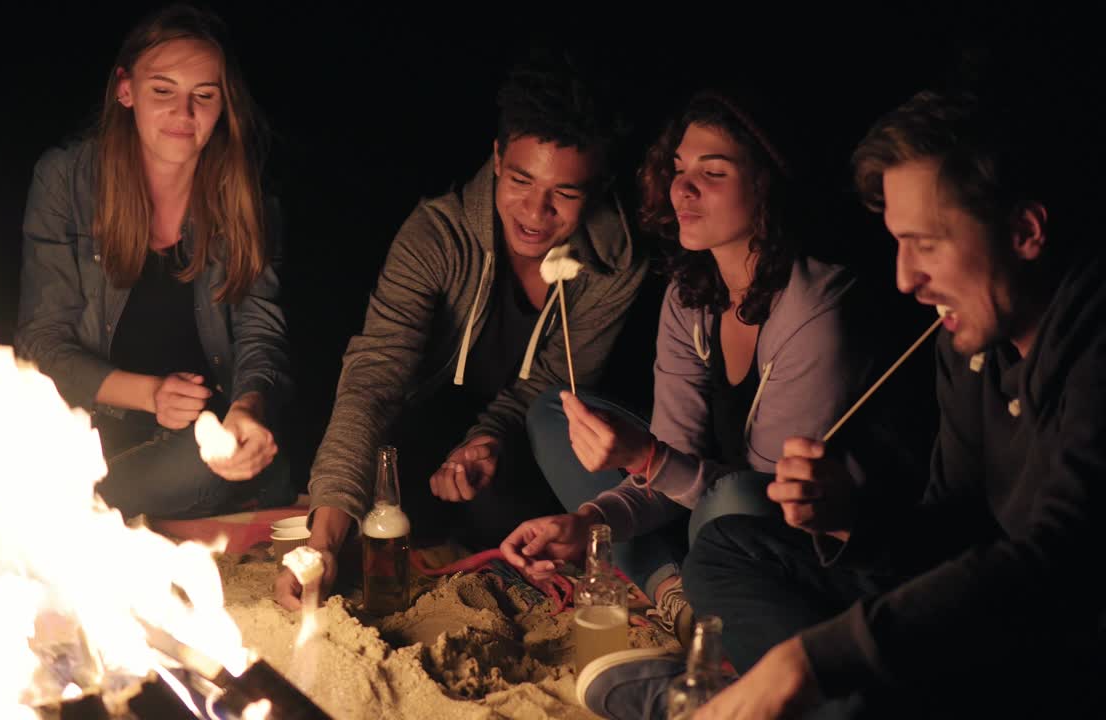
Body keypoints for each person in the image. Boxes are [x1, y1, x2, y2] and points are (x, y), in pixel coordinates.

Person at [578, 87, 1106, 719]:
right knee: (727, 550)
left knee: (738, 519)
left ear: (1024, 231)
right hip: (971, 622)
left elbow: (1058, 566)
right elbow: (949, 534)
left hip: (1050, 658)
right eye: (898, 246)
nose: (907, 280)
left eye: (927, 244)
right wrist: (845, 518)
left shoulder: (1092, 341)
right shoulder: (971, 345)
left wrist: (815, 659)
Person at [275, 52, 648, 610]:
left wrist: (488, 438)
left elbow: (550, 389)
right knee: (375, 506)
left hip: (522, 443)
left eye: (564, 194)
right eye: (521, 179)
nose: (536, 211)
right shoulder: (436, 236)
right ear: (497, 159)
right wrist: (322, 541)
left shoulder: (615, 259)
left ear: (596, 187)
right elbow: (373, 381)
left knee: (508, 511)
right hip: (426, 433)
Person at [500, 89, 870, 644]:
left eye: (713, 172)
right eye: (677, 169)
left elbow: (772, 499)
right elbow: (660, 478)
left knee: (729, 503)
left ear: (766, 184)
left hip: (789, 542)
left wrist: (644, 457)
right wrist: (586, 523)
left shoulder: (815, 308)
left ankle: (685, 583)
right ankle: (672, 591)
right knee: (552, 413)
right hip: (700, 502)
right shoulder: (689, 293)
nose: (682, 189)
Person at [16, 4, 294, 521]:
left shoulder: (244, 194)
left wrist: (247, 408)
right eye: (162, 90)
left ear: (223, 104)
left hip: (202, 440)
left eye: (204, 96)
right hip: (95, 436)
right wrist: (151, 394)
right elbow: (42, 342)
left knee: (221, 465)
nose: (183, 115)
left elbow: (262, 329)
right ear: (127, 90)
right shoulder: (67, 181)